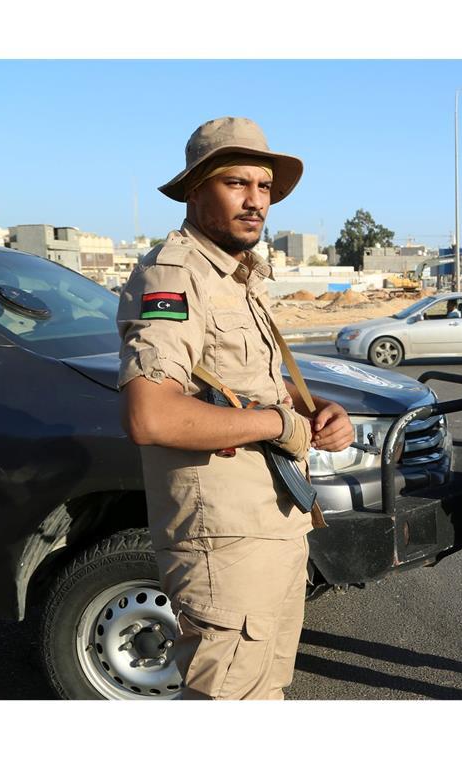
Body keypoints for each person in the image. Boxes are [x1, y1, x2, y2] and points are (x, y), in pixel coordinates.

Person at [117, 116, 354, 700]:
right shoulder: (173, 274)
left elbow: (250, 381)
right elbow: (152, 415)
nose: (256, 202)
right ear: (195, 190)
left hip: (273, 522)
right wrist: (280, 424)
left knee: (264, 694)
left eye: (265, 187)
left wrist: (318, 408)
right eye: (237, 184)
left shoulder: (239, 276)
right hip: (223, 539)